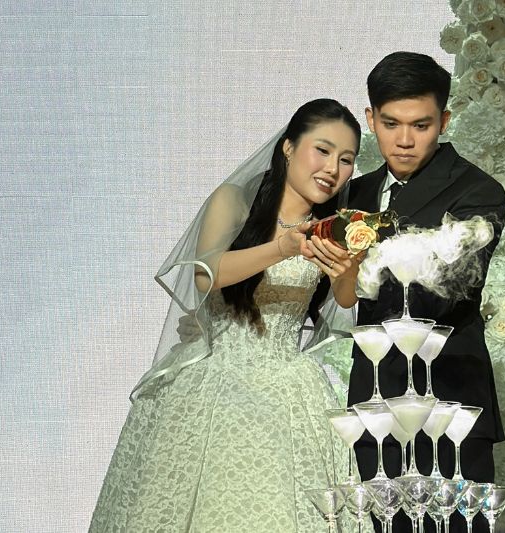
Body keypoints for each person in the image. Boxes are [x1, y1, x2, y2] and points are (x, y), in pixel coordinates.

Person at [89, 99, 365, 532]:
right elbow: (207, 275)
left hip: (289, 386)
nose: (333, 168)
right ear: (289, 147)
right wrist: (283, 247)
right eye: (323, 150)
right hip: (214, 377)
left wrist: (348, 270)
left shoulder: (333, 225)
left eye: (346, 160)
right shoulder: (234, 200)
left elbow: (344, 301)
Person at [309, 52, 505, 533]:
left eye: (421, 125)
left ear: (444, 121)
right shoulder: (351, 195)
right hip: (374, 401)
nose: (404, 140)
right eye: (390, 123)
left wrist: (362, 263)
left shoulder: (478, 191)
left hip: (449, 403)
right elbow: (328, 298)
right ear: (370, 118)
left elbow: (446, 291)